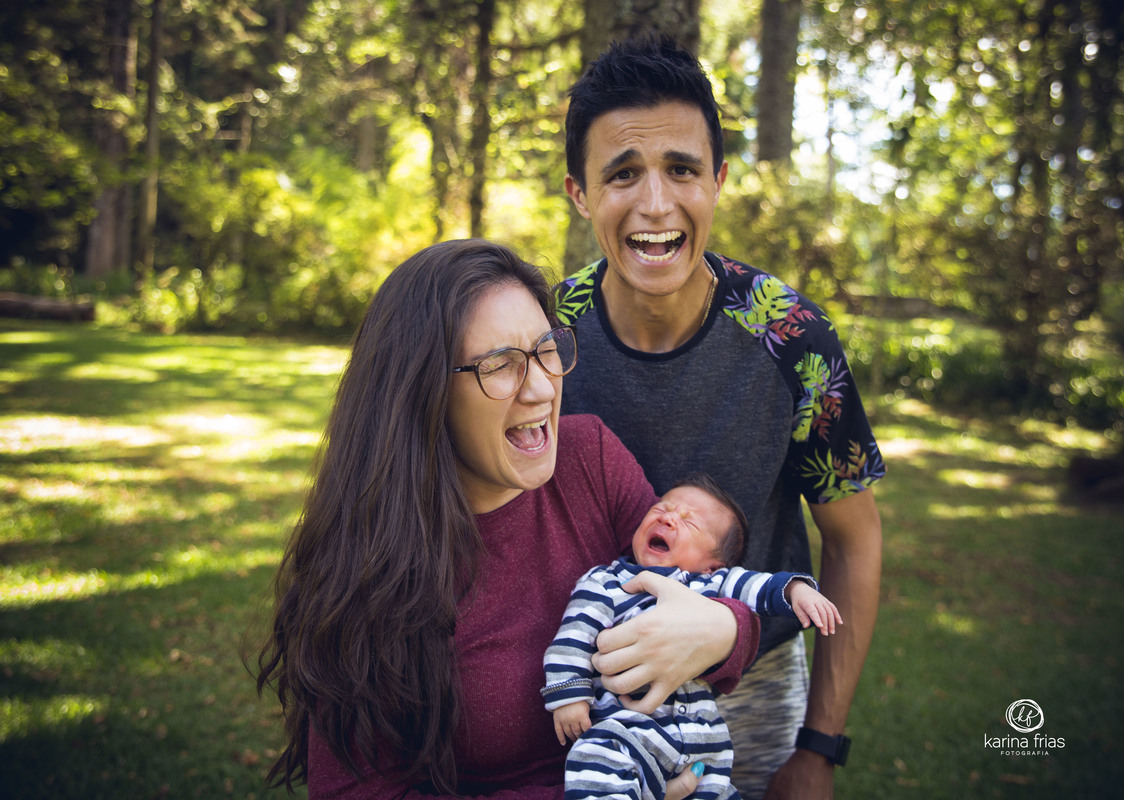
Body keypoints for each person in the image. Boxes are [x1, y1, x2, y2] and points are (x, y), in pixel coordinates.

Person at [254, 239, 761, 800]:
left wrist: (725, 630)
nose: (542, 388)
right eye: (499, 365)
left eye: (547, 349)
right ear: (423, 391)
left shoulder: (589, 457)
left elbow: (692, 583)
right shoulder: (364, 568)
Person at [555, 36, 886, 800]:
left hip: (753, 693)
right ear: (579, 193)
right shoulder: (549, 337)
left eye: (682, 170)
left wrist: (820, 747)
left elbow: (854, 539)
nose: (656, 204)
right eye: (622, 174)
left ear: (719, 180)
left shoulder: (792, 338)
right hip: (588, 695)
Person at [543, 474, 842, 800]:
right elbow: (574, 634)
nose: (668, 517)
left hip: (702, 738)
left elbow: (758, 586)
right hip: (627, 731)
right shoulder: (608, 581)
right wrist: (569, 696)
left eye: (690, 522)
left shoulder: (710, 586)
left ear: (713, 566)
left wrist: (795, 590)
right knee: (596, 760)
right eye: (661, 508)